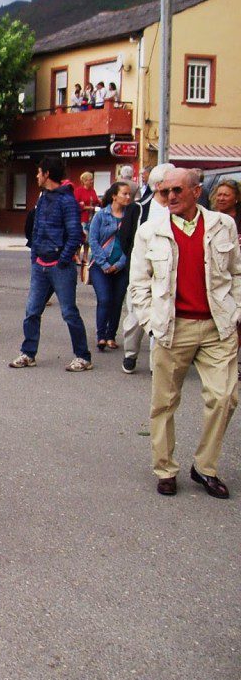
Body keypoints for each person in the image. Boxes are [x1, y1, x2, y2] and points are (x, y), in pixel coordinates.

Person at [129, 167, 241, 499]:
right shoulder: (150, 231)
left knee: (224, 398)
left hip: (216, 327)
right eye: (165, 192)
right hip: (171, 327)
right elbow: (139, 284)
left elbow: (237, 272)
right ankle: (165, 469)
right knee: (164, 403)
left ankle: (205, 467)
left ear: (196, 191)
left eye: (177, 190)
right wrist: (150, 322)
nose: (170, 197)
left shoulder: (224, 225)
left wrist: (236, 313)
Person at [10, 155, 93, 372]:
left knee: (69, 312)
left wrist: (62, 260)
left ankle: (83, 357)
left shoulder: (67, 201)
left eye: (39, 172)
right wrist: (35, 257)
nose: (37, 175)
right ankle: (28, 354)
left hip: (59, 267)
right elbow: (36, 230)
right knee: (32, 311)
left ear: (47, 174)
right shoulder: (43, 198)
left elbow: (76, 235)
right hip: (40, 264)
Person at [120, 163, 175, 373]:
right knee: (135, 318)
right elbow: (125, 239)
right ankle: (130, 354)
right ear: (158, 185)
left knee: (163, 316)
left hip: (167, 271)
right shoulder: (139, 208)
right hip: (142, 271)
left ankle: (156, 363)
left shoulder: (177, 209)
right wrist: (136, 263)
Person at [89, 182, 132, 351]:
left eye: (129, 194)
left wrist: (120, 264)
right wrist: (105, 264)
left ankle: (111, 335)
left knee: (117, 301)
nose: (128, 197)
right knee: (105, 299)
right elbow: (92, 240)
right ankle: (101, 336)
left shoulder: (130, 216)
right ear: (114, 196)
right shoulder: (101, 216)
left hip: (121, 267)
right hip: (100, 266)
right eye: (124, 194)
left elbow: (132, 243)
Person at [74, 172, 100, 277]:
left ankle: (85, 256)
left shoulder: (92, 191)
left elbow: (96, 201)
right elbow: (76, 204)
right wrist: (88, 207)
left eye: (92, 179)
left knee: (88, 239)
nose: (91, 181)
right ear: (84, 181)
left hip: (91, 218)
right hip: (82, 218)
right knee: (81, 238)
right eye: (90, 179)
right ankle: (77, 256)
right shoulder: (79, 191)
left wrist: (100, 202)